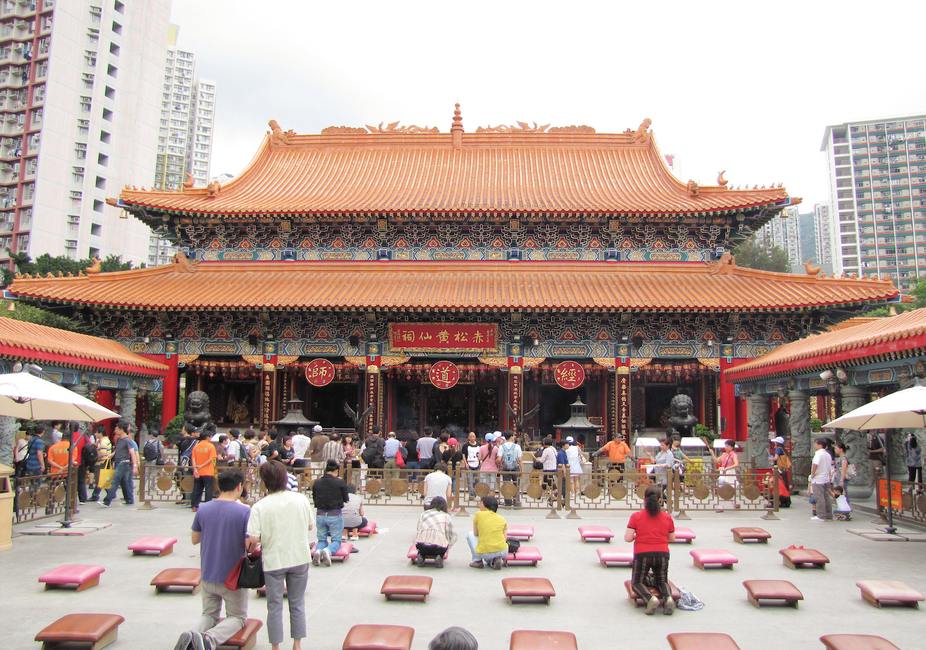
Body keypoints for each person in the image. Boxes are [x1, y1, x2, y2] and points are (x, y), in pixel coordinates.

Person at [173, 470, 250, 650]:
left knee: (209, 614)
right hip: (233, 576)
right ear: (239, 487)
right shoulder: (245, 512)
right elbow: (249, 545)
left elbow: (194, 539)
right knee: (237, 617)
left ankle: (192, 634)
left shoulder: (204, 508)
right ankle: (209, 639)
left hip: (208, 571)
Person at [247, 461, 313, 650]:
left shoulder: (260, 506)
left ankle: (276, 646)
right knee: (297, 602)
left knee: (274, 605)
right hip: (299, 555)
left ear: (264, 481)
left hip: (274, 559)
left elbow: (254, 538)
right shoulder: (300, 499)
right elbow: (310, 525)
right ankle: (297, 644)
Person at [625, 484, 676, 615]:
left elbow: (628, 538)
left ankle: (650, 598)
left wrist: (638, 535)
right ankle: (668, 598)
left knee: (636, 582)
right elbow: (672, 538)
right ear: (660, 500)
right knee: (661, 580)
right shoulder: (667, 517)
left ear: (644, 499)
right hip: (663, 553)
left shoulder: (636, 516)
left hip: (642, 553)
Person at [311, 460, 349, 566]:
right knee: (336, 540)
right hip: (335, 514)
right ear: (336, 470)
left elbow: (314, 498)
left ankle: (318, 551)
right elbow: (346, 499)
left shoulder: (317, 482)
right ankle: (328, 551)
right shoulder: (340, 482)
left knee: (322, 539)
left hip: (320, 514)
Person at [100, 421, 138, 507]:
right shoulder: (119, 439)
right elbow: (117, 450)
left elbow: (132, 453)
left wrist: (135, 466)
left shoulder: (128, 440)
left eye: (117, 428)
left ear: (121, 430)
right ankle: (129, 499)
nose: (115, 430)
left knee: (114, 481)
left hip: (124, 463)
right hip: (118, 462)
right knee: (124, 482)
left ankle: (107, 501)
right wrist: (111, 455)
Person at [466, 495, 507, 569]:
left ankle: (477, 561)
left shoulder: (478, 514)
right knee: (494, 548)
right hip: (503, 551)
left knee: (470, 534)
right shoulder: (502, 519)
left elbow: (476, 534)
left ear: (485, 505)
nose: (479, 505)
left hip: (485, 552)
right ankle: (494, 560)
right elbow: (505, 538)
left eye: (481, 503)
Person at [414, 496, 456, 568]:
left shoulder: (423, 514)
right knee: (445, 541)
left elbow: (418, 529)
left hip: (421, 545)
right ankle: (439, 556)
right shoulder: (446, 516)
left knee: (422, 546)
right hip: (439, 547)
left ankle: (421, 555)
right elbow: (450, 535)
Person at [191, 430, 218, 512]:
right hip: (208, 471)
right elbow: (212, 459)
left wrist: (195, 468)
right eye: (210, 437)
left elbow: (193, 458)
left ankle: (194, 506)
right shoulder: (211, 446)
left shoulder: (196, 446)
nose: (211, 438)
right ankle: (207, 507)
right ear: (207, 437)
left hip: (198, 472)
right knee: (208, 489)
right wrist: (203, 466)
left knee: (197, 489)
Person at [810, 437, 834, 521]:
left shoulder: (818, 454)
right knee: (826, 497)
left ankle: (821, 515)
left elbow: (815, 464)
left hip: (818, 478)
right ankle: (828, 514)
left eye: (815, 443)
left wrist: (812, 474)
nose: (814, 445)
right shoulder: (828, 454)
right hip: (826, 478)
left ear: (820, 445)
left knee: (819, 497)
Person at [88, 428, 112, 502]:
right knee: (102, 480)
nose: (95, 434)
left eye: (96, 432)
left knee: (100, 480)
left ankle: (109, 493)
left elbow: (103, 453)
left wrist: (95, 458)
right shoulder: (104, 440)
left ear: (100, 433)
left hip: (101, 462)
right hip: (105, 462)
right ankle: (96, 495)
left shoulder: (103, 442)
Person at [497, 433, 522, 506]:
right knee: (516, 484)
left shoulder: (502, 446)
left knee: (506, 485)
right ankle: (516, 501)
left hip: (505, 468)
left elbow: (499, 459)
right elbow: (520, 460)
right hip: (515, 468)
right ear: (511, 437)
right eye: (513, 435)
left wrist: (501, 465)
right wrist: (521, 470)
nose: (514, 436)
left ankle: (508, 502)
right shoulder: (517, 446)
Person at [538, 436, 558, 505]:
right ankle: (540, 495)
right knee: (545, 482)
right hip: (553, 468)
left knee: (551, 484)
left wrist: (538, 459)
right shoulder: (553, 449)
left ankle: (553, 497)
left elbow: (542, 460)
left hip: (548, 468)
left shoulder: (546, 450)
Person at [461, 431, 481, 497]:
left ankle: (475, 493)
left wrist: (480, 461)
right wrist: (465, 463)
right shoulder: (465, 445)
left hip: (477, 464)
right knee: (470, 480)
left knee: (476, 480)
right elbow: (463, 455)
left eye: (473, 436)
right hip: (469, 464)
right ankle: (471, 495)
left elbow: (480, 454)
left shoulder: (478, 444)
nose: (472, 438)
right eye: (471, 436)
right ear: (468, 438)